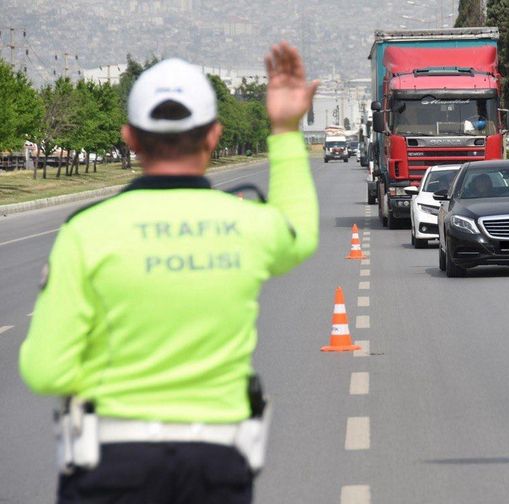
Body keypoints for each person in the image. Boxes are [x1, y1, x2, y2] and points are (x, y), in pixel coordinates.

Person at [19, 42, 319, 503]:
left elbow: (45, 371)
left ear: (130, 138)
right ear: (214, 136)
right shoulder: (247, 224)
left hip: (111, 465)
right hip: (216, 465)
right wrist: (284, 129)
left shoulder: (87, 233)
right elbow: (299, 232)